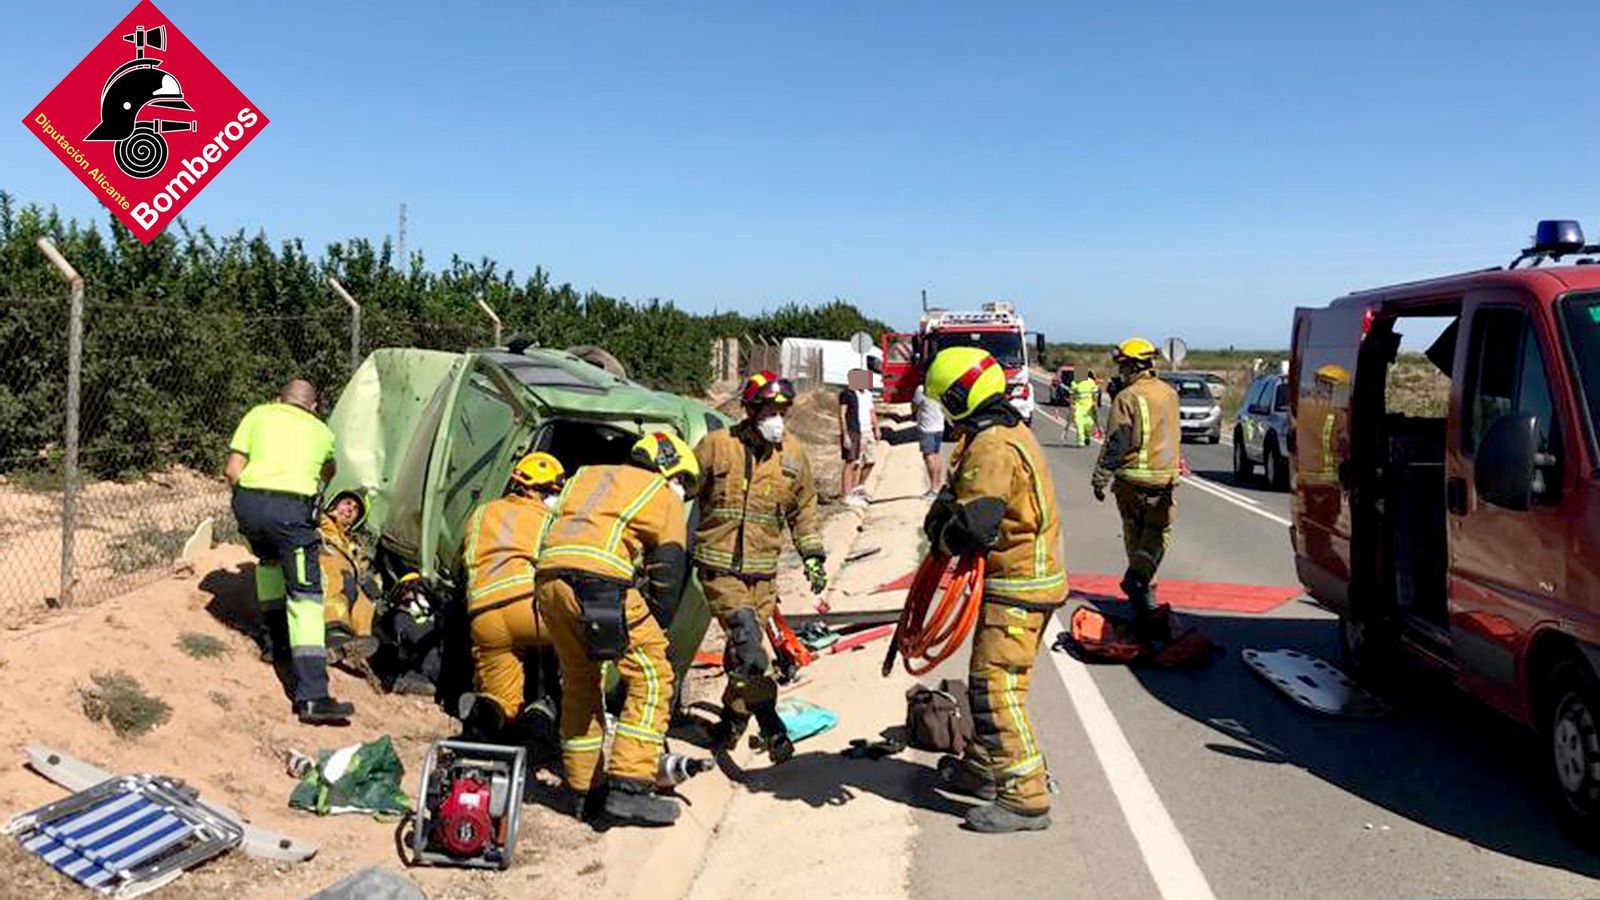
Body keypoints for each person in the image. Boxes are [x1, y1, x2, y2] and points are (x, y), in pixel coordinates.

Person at [921, 347, 1066, 834]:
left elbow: (975, 526)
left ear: (960, 396)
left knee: (994, 688)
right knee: (990, 679)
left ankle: (1025, 797)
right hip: (1024, 581)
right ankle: (983, 769)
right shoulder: (1001, 432)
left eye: (945, 400)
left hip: (1019, 583)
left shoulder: (992, 446)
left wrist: (941, 533)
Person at [534, 432, 696, 827]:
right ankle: (629, 787)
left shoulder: (587, 476)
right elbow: (669, 570)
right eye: (683, 484)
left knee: (579, 679)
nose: (681, 493)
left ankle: (583, 790)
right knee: (652, 674)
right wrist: (656, 623)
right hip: (600, 584)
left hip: (548, 580)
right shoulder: (660, 490)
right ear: (670, 467)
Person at [693, 371, 826, 763]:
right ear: (750, 411)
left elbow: (804, 511)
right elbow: (681, 487)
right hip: (720, 569)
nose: (777, 419)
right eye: (769, 410)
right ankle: (772, 726)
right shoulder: (717, 447)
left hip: (765, 575)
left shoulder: (794, 456)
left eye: (782, 411)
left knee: (741, 659)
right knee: (750, 646)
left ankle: (732, 722)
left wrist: (813, 555)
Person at [225, 379, 354, 725]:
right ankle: (313, 696)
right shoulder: (321, 430)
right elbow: (329, 472)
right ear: (314, 406)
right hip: (291, 513)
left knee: (268, 562)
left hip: (249, 506)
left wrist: (251, 502)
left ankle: (275, 644)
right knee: (306, 597)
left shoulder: (257, 414)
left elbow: (232, 470)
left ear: (279, 399)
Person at [460, 451, 566, 739]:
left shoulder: (482, 512)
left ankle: (481, 720)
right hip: (527, 606)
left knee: (502, 700)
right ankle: (545, 713)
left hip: (484, 613)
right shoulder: (550, 518)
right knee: (583, 644)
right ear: (549, 491)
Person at [1091, 339, 1182, 631]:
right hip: (1164, 480)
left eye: (1123, 366)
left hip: (1131, 481)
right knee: (1156, 537)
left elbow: (1118, 440)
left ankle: (1140, 591)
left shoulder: (1127, 397)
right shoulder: (1170, 394)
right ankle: (1145, 600)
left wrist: (1100, 476)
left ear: (1132, 365)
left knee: (1135, 538)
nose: (1121, 372)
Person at [318, 489, 378, 667]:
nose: (350, 509)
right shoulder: (322, 521)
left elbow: (360, 567)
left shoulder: (351, 544)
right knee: (339, 577)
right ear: (334, 505)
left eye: (355, 509)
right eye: (346, 503)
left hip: (347, 571)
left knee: (365, 596)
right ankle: (335, 630)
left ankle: (359, 641)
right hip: (324, 558)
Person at [838, 368, 881, 506]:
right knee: (852, 462)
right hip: (854, 431)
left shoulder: (868, 394)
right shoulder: (847, 394)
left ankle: (858, 487)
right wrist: (845, 435)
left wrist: (877, 428)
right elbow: (842, 415)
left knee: (870, 460)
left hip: (868, 431)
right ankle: (846, 493)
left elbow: (872, 412)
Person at [912, 382, 946, 499]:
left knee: (928, 457)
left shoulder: (921, 389)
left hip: (927, 428)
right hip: (939, 426)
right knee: (937, 455)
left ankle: (933, 488)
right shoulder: (941, 387)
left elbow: (915, 405)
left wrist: (914, 414)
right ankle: (939, 484)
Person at [1068, 369, 1100, 447]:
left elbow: (1095, 394)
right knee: (1079, 424)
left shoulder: (1091, 383)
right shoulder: (1074, 383)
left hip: (1088, 407)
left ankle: (1087, 436)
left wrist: (1095, 403)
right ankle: (1080, 441)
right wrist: (1072, 404)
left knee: (1088, 424)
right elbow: (1071, 395)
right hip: (1079, 407)